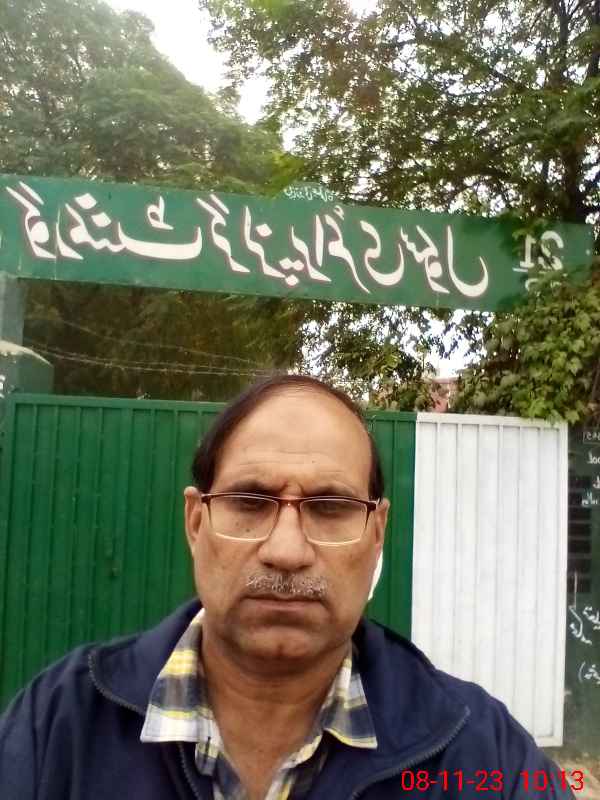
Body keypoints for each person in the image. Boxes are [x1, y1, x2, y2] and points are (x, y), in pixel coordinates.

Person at [0, 374, 574, 799]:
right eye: (251, 502)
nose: (287, 551)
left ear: (377, 534)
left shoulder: (480, 756)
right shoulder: (59, 726)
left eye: (330, 507)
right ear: (196, 524)